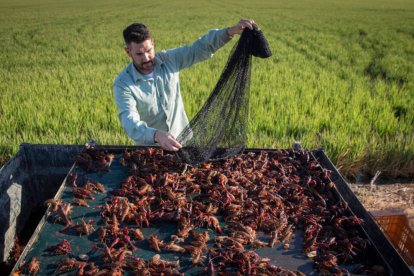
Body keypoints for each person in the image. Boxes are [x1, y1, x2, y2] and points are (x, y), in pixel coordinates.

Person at [114, 19, 254, 151]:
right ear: (128, 51)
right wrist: (156, 135)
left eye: (149, 50)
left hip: (184, 144)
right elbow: (129, 120)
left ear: (153, 43)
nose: (146, 58)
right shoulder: (123, 83)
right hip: (151, 150)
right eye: (139, 54)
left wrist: (230, 31)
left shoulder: (169, 59)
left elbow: (198, 49)